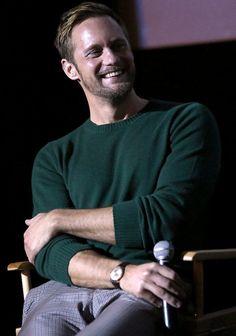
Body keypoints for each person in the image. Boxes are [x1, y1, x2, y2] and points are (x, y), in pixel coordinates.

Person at [20, 2, 221, 335]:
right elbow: (49, 251)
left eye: (118, 45)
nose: (111, 59)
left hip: (150, 287)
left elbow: (165, 216)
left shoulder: (184, 121)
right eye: (94, 52)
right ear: (71, 70)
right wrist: (120, 273)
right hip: (71, 289)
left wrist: (58, 219)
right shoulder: (54, 156)